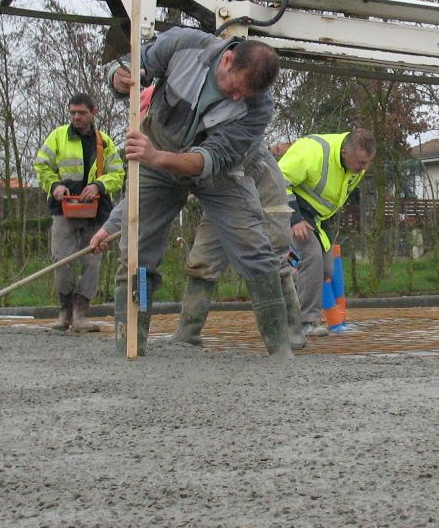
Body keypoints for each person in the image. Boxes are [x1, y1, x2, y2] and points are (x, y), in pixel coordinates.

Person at [89, 27, 293, 358]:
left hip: (218, 172)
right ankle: (129, 345)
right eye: (235, 88)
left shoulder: (259, 108)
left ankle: (281, 349)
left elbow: (213, 158)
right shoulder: (183, 45)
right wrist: (120, 76)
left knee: (253, 246)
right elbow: (133, 63)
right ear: (227, 59)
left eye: (245, 95)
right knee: (136, 254)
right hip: (156, 153)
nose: (237, 98)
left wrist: (158, 156)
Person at [34, 94, 125, 333]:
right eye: (73, 112)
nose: (76, 117)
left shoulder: (104, 142)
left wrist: (98, 186)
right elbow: (41, 165)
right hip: (63, 210)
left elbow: (118, 173)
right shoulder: (57, 137)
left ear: (93, 112)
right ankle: (64, 311)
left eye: (81, 113)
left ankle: (82, 313)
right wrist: (54, 186)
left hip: (96, 213)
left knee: (92, 262)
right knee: (61, 259)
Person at [278, 130, 375, 336]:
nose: (363, 168)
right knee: (310, 257)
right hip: (286, 210)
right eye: (360, 162)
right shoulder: (313, 152)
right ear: (344, 153)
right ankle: (305, 323)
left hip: (316, 219)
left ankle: (284, 267)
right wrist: (295, 219)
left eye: (367, 162)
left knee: (326, 270)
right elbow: (278, 180)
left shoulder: (356, 168)